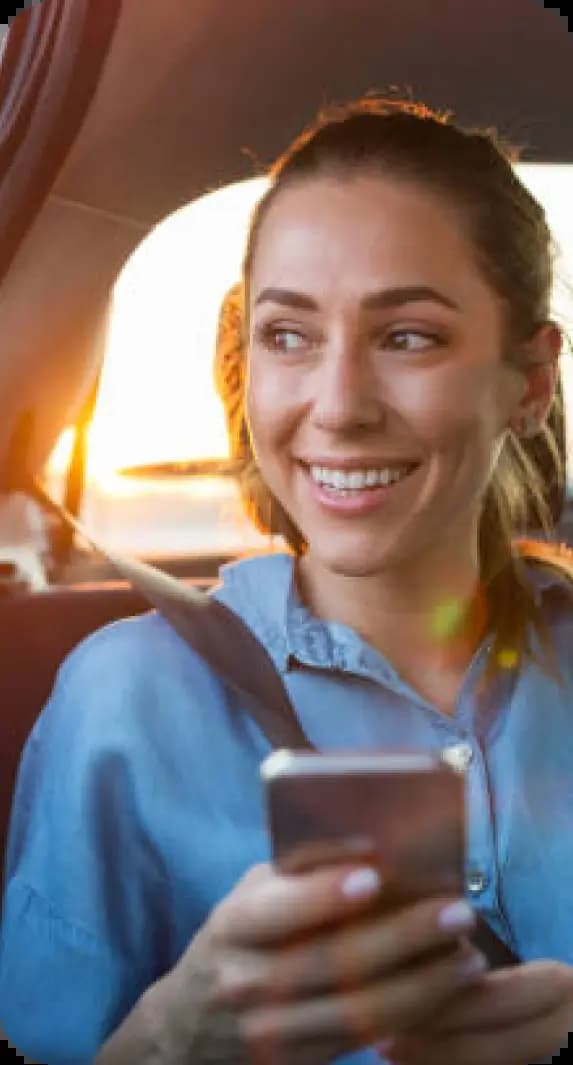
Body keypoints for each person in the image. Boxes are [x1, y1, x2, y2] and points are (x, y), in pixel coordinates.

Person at [1, 97, 573, 1065]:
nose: (339, 406)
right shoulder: (122, 703)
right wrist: (173, 1038)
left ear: (529, 380)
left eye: (408, 337)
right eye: (289, 335)